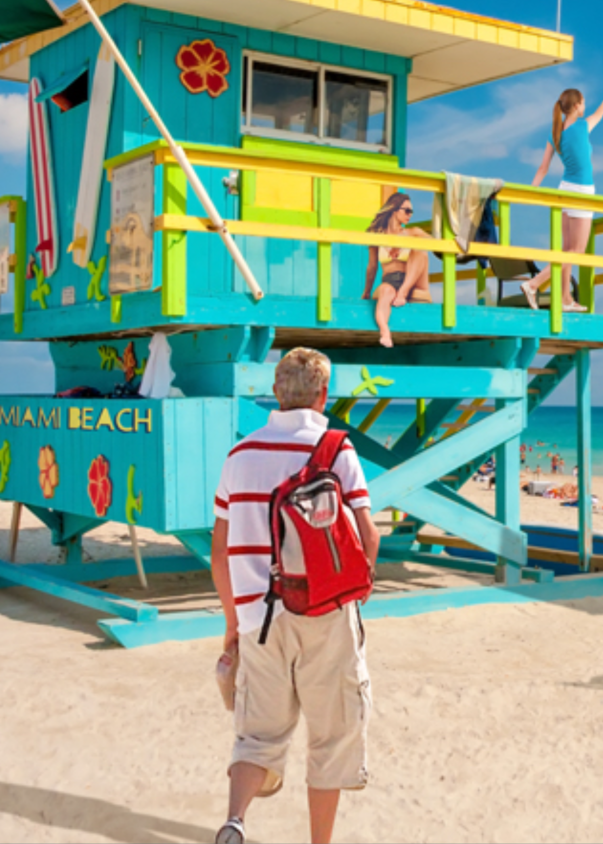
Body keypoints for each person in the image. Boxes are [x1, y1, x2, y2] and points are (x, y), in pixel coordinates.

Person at [211, 348, 378, 844]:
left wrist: (232, 623)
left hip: (256, 617)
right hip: (324, 609)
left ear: (277, 393)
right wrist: (355, 592)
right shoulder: (335, 449)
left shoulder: (238, 455)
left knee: (256, 734)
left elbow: (220, 553)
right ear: (323, 394)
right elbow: (369, 535)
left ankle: (235, 821)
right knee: (330, 737)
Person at [523, 83, 603, 313]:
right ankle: (534, 284)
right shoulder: (582, 127)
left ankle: (565, 299)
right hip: (581, 191)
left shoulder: (555, 133)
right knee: (576, 250)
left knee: (567, 250)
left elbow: (542, 168)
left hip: (564, 190)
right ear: (578, 105)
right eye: (583, 102)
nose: (585, 106)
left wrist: (530, 191)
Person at [361, 192, 432, 349]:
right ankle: (385, 331)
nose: (410, 215)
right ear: (394, 209)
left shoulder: (414, 232)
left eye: (411, 211)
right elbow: (372, 266)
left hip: (411, 281)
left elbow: (438, 244)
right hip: (390, 281)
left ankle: (403, 293)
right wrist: (366, 292)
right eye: (407, 210)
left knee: (419, 250)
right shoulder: (377, 236)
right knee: (385, 292)